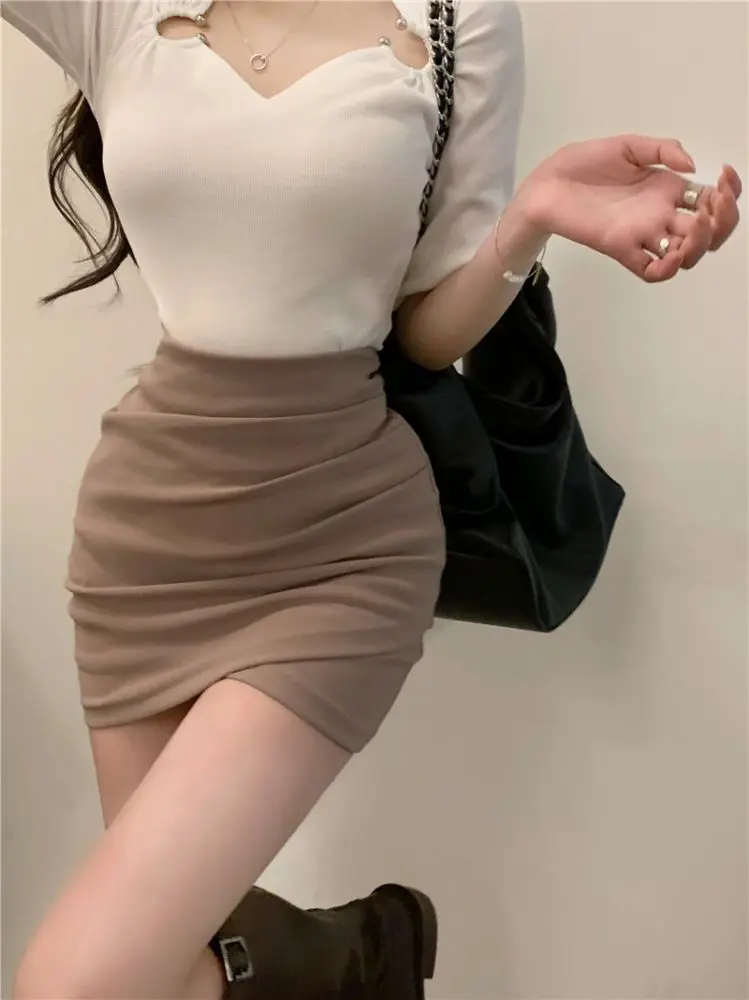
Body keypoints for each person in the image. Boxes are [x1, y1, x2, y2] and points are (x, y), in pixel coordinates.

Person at [3, 1, 741, 997]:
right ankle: (342, 960)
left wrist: (527, 219)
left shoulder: (456, 16)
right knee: (158, 972)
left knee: (78, 984)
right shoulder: (121, 11)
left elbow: (422, 334)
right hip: (144, 540)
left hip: (341, 542)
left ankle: (332, 959)